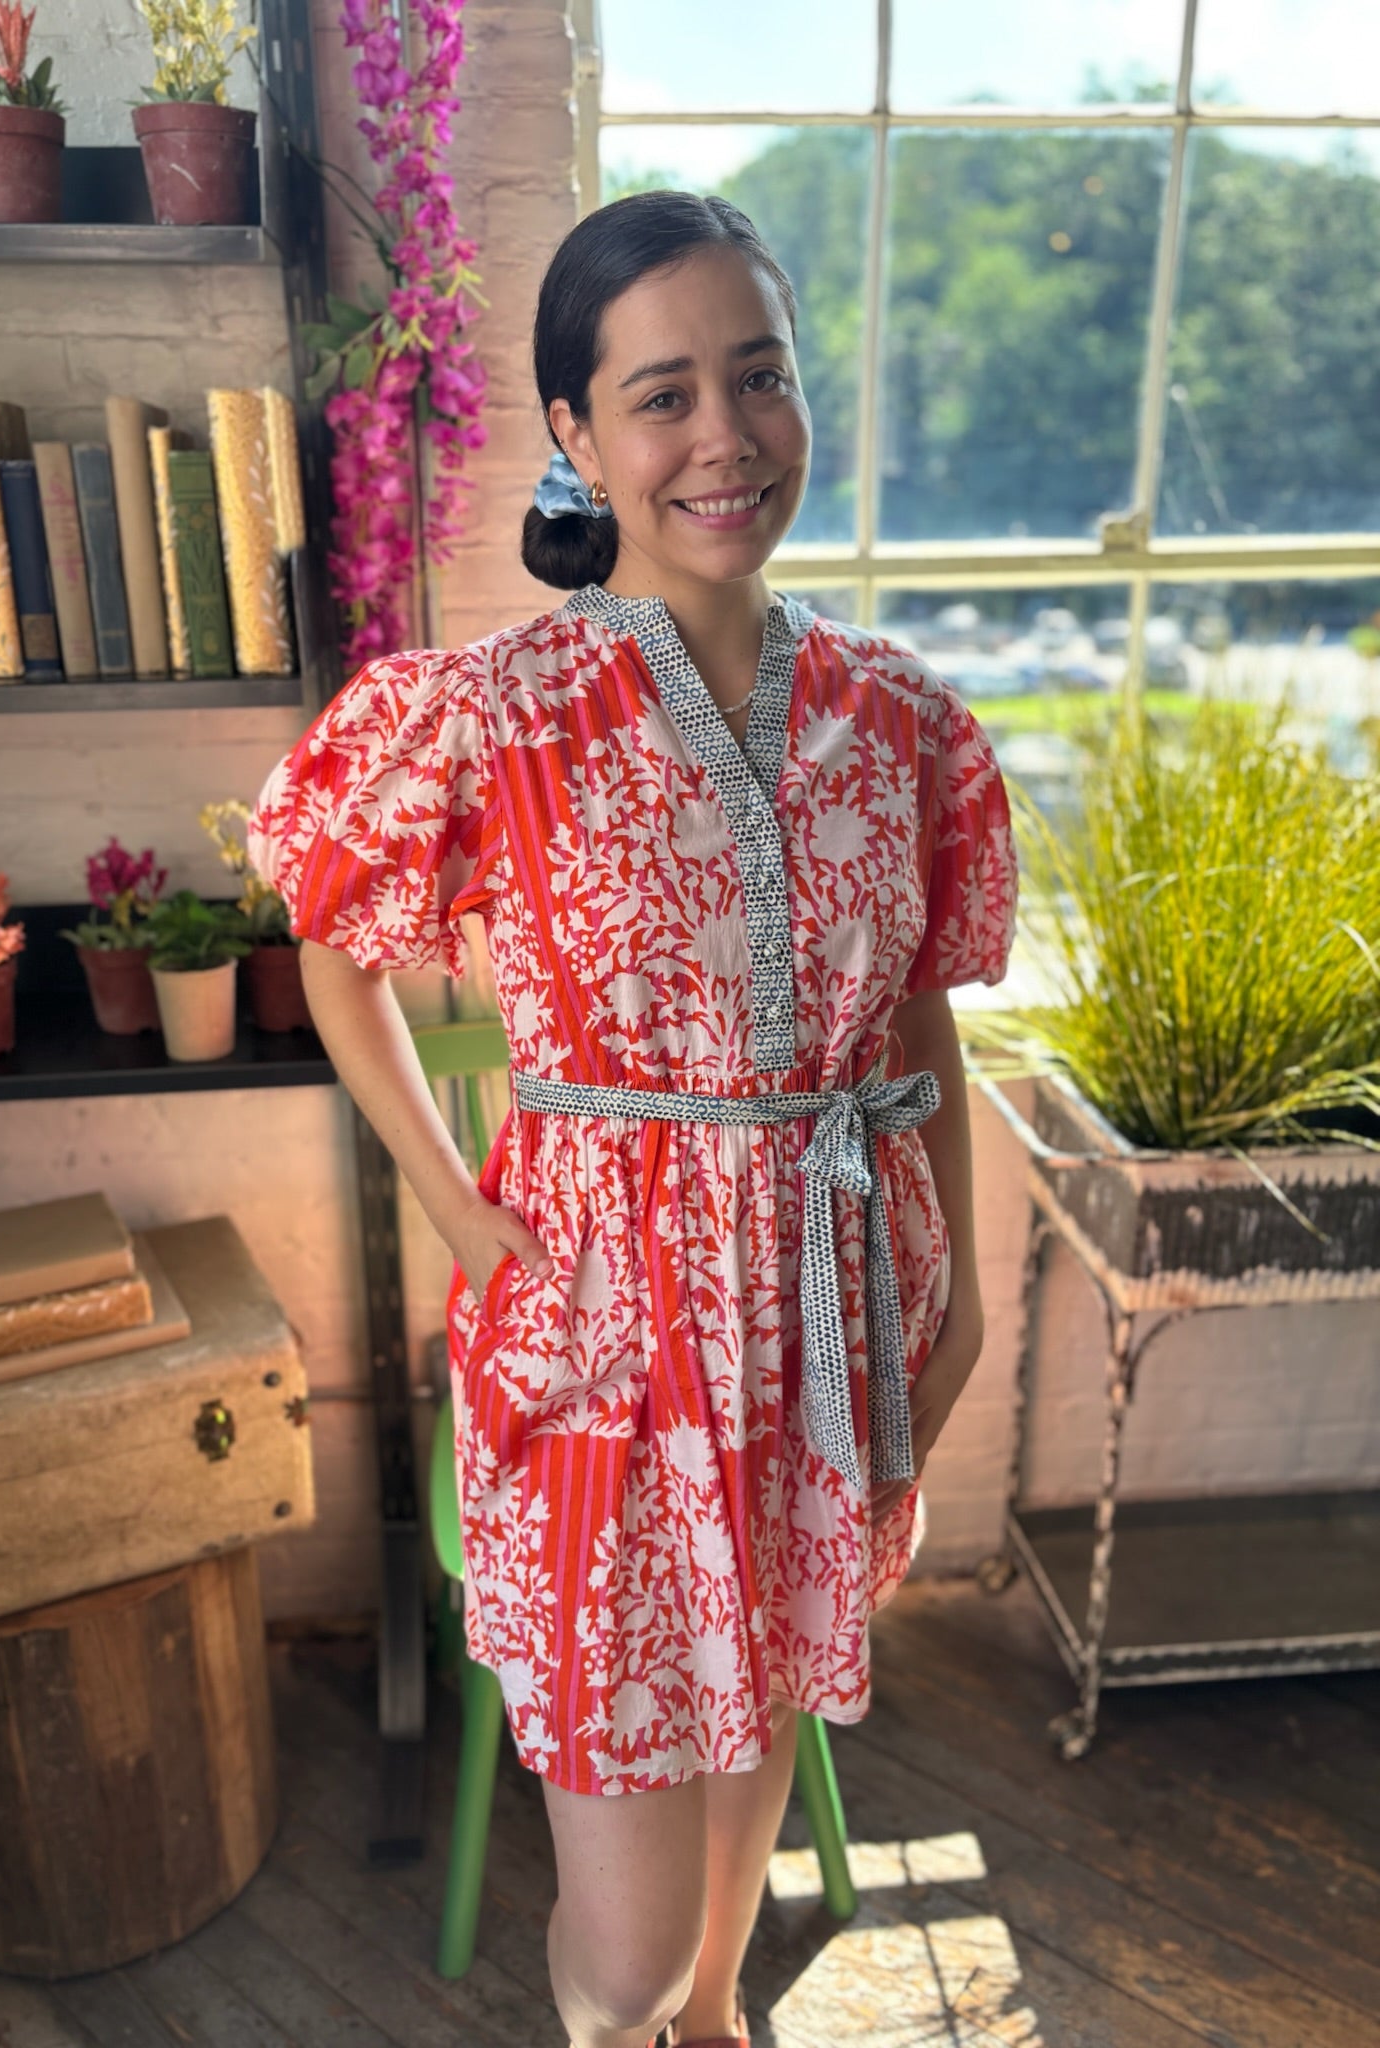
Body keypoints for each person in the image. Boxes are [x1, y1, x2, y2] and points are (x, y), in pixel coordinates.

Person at [246, 188, 1017, 2048]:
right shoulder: (495, 715)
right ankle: (646, 2012)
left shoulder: (902, 719)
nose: (726, 435)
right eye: (662, 395)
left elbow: (920, 1013)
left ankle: (719, 2019)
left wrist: (966, 1294)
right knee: (623, 1949)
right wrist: (458, 1211)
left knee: (761, 1716)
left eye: (760, 375)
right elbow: (334, 942)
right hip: (607, 1331)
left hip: (831, 1312)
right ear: (577, 438)